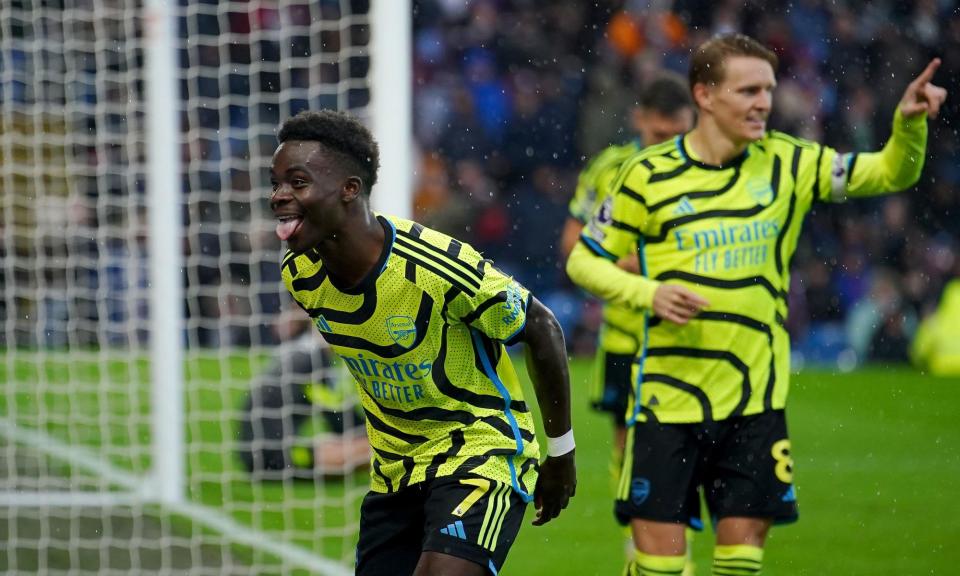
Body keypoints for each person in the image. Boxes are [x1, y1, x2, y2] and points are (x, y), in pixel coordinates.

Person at [566, 33, 946, 576]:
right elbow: (584, 260)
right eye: (747, 90)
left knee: (739, 568)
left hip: (753, 404)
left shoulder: (790, 164)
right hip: (666, 404)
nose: (764, 102)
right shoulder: (645, 176)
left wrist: (908, 126)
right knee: (658, 571)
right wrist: (650, 293)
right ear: (705, 95)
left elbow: (890, 172)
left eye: (767, 89)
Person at [269, 109, 576, 576]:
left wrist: (561, 454)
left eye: (297, 182)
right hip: (395, 472)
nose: (279, 196)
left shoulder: (432, 267)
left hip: (480, 454)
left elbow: (541, 326)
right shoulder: (302, 275)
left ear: (350, 189)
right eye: (276, 184)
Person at [559, 72, 695, 570]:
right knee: (628, 449)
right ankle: (644, 546)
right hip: (624, 336)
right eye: (660, 135)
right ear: (639, 119)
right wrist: (639, 269)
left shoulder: (703, 167)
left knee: (683, 449)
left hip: (686, 337)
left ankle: (667, 551)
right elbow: (572, 245)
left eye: (678, 134)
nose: (668, 145)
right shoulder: (610, 169)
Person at [237, 303, 369, 479]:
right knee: (369, 450)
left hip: (254, 455)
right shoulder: (312, 362)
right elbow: (338, 418)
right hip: (277, 457)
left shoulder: (299, 353)